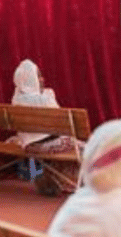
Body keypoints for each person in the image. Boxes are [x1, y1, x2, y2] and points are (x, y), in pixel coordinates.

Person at [7, 60, 80, 197]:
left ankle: (55, 180)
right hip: (45, 146)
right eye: (38, 76)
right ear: (31, 79)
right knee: (86, 147)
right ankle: (70, 182)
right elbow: (62, 127)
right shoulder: (45, 99)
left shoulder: (16, 98)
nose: (42, 79)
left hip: (28, 146)